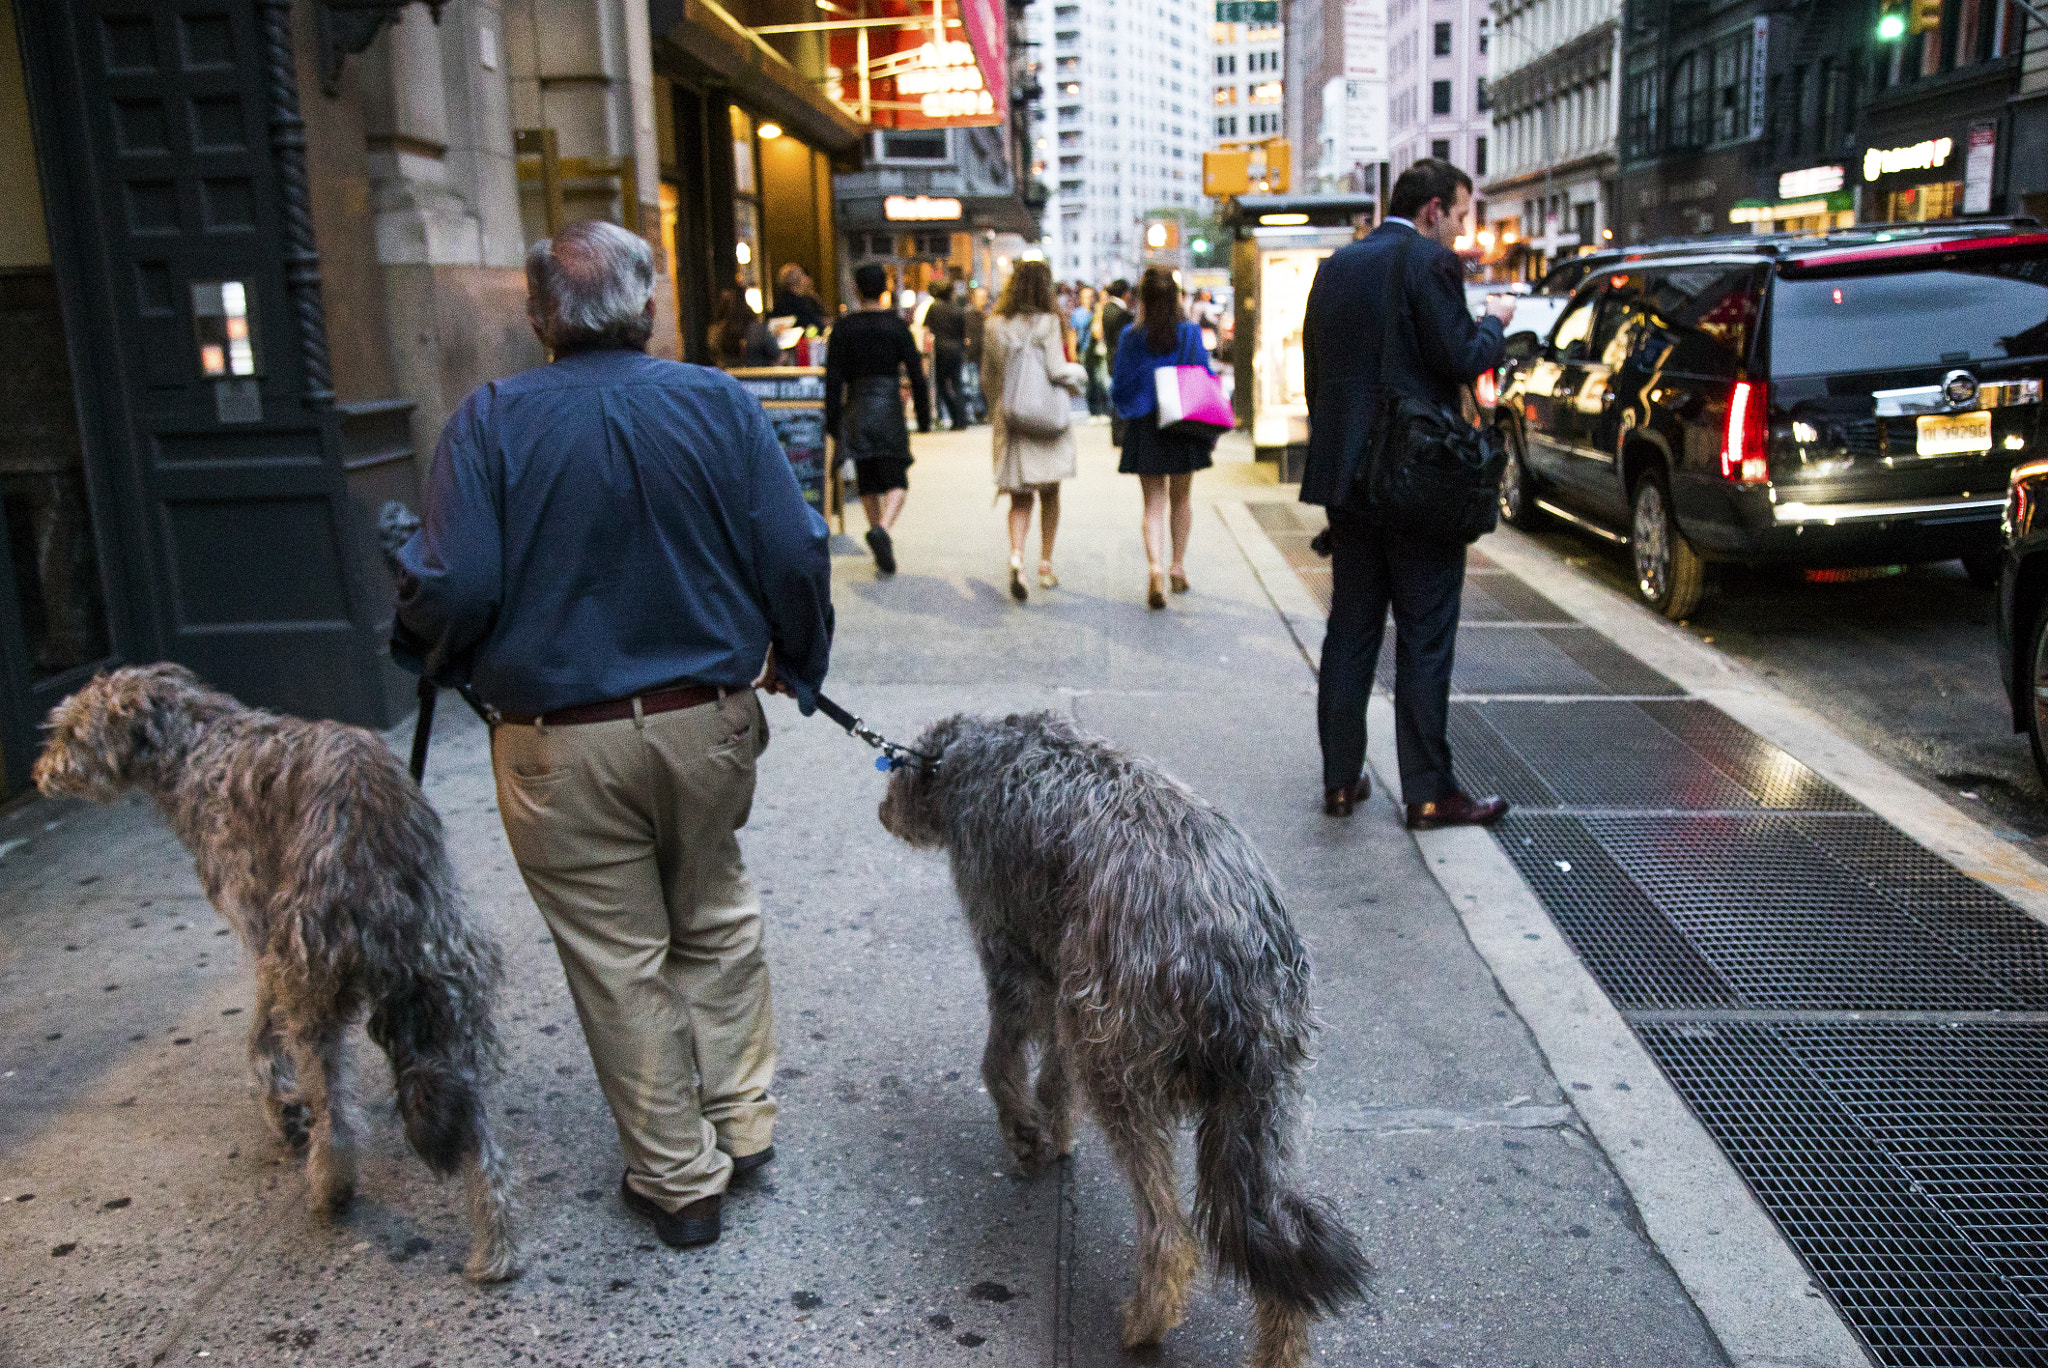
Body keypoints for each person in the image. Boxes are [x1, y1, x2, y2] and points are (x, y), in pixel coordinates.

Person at [393, 220, 833, 1252]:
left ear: (540, 316)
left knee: (616, 958)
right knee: (715, 913)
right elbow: (794, 548)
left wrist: (431, 645)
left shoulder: (488, 421)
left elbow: (452, 584)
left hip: (558, 740)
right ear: (647, 308)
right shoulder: (718, 402)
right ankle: (743, 1122)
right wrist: (796, 657)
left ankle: (681, 1181)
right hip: (705, 722)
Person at [1299, 156, 1515, 828]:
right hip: (1416, 482)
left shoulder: (1337, 266)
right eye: (1458, 215)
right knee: (1424, 635)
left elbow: (1318, 369)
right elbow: (1462, 357)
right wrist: (1496, 322)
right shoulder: (1427, 262)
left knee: (1351, 632)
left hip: (1350, 482)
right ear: (1431, 211)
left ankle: (1340, 780)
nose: (1458, 231)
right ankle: (1428, 792)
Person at [982, 259, 1088, 603]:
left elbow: (989, 376)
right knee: (1050, 493)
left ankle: (1017, 557)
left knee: (1020, 496)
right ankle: (1045, 563)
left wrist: (1000, 404)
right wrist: (1079, 377)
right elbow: (1058, 369)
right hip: (1046, 420)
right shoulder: (1049, 323)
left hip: (1013, 420)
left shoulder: (995, 325)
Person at [1111, 265, 1216, 610]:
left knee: (1153, 502)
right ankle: (1177, 566)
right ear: (1175, 297)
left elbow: (1119, 386)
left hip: (1146, 425)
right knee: (1181, 499)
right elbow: (1203, 376)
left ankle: (1154, 567)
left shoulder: (1131, 336)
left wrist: (1135, 404)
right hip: (1182, 423)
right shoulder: (1188, 333)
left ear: (1142, 298)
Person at [824, 262, 931, 575]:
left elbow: (833, 378)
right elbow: (916, 372)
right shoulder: (896, 326)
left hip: (857, 406)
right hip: (888, 405)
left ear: (856, 291)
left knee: (867, 476)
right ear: (885, 289)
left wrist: (833, 421)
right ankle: (882, 529)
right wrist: (923, 416)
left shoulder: (843, 328)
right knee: (897, 477)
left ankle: (878, 536)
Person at [925, 280, 972, 431]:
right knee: (957, 383)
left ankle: (953, 415)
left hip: (941, 349)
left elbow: (928, 329)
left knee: (941, 384)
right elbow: (963, 331)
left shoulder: (934, 307)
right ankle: (961, 419)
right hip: (956, 349)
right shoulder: (957, 308)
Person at [1095, 279, 1133, 440]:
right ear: (1125, 293)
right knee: (1122, 396)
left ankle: (1118, 433)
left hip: (1112, 356)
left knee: (1118, 394)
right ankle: (1120, 433)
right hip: (1120, 358)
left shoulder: (1107, 308)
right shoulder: (1121, 313)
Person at [711, 287, 781, 368]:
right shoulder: (757, 329)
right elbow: (777, 354)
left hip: (726, 376)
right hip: (755, 377)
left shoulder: (715, 331)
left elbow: (714, 356)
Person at [774, 262, 828, 334]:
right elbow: (810, 323)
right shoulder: (789, 303)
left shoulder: (808, 299)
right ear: (795, 283)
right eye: (803, 275)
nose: (808, 279)